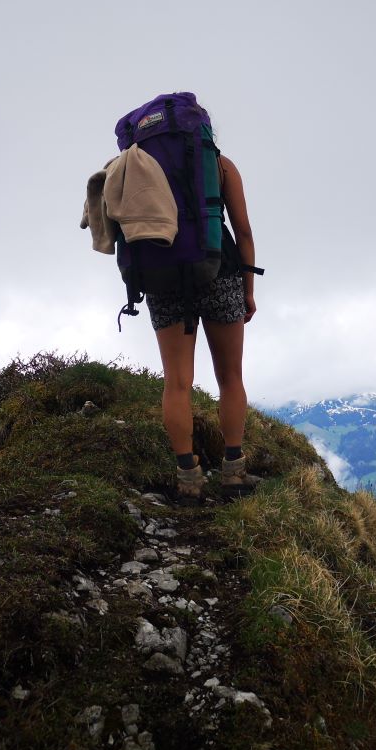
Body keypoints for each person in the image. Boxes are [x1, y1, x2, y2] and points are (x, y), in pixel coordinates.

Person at [147, 153, 259, 501]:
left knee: (177, 382)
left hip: (162, 275)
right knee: (230, 377)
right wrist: (248, 291)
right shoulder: (220, 165)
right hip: (219, 270)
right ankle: (233, 474)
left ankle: (188, 479)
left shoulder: (138, 166)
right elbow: (242, 230)